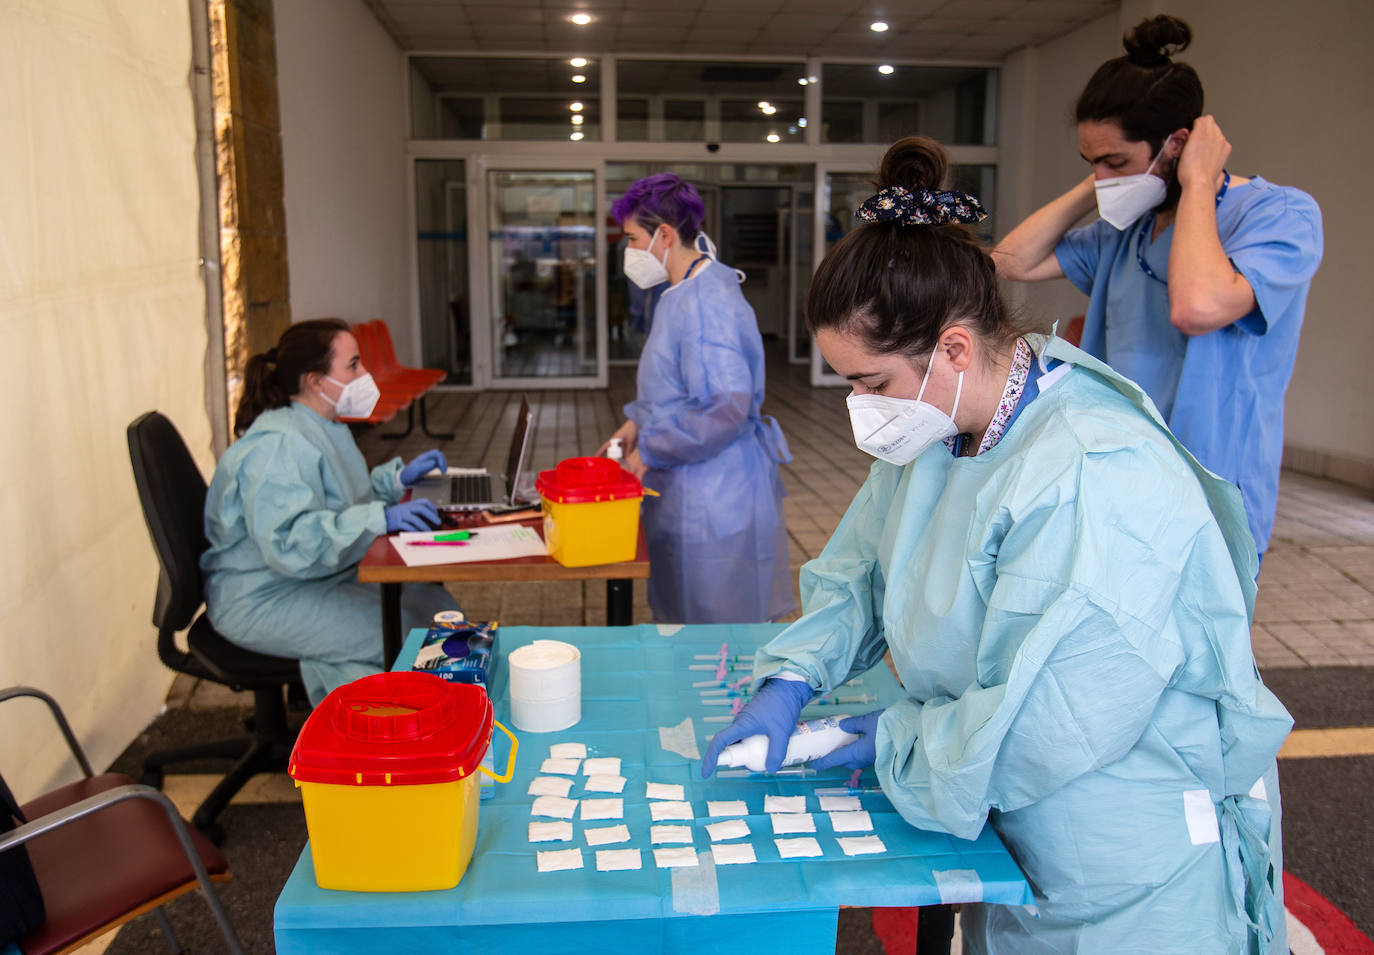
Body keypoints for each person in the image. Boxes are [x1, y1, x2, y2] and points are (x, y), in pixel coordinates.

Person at [702, 137, 1293, 953]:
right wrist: (794, 676)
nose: (860, 407)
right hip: (1008, 826)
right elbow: (862, 568)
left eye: (869, 383)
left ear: (950, 348)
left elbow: (1048, 721)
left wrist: (895, 737)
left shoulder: (1092, 470)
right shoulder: (947, 428)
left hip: (1122, 859)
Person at [993, 14, 1323, 562]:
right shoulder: (1125, 233)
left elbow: (1198, 306)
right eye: (1091, 162)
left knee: (1199, 642)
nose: (1103, 178)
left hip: (1211, 481)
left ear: (1179, 145)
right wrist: (1106, 179)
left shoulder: (1278, 216)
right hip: (1114, 467)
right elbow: (1010, 260)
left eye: (1115, 161)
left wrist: (1195, 181)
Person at [201, 318, 460, 705]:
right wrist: (380, 519)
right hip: (263, 597)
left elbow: (337, 501)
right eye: (353, 365)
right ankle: (361, 740)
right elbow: (291, 542)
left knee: (438, 611)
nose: (365, 374)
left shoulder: (318, 425)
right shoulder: (276, 446)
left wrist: (397, 480)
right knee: (404, 633)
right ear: (316, 381)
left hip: (313, 578)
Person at [600, 173, 794, 624]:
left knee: (713, 634)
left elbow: (724, 409)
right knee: (683, 616)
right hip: (689, 482)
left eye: (632, 238)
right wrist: (634, 425)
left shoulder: (707, 303)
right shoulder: (681, 292)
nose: (628, 251)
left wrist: (650, 446)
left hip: (712, 495)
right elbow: (670, 385)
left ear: (664, 235)